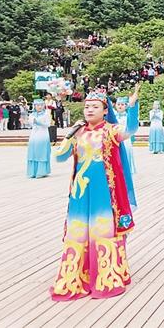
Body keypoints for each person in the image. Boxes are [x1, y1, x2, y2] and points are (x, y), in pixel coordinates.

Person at [50, 91, 137, 301]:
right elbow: (59, 156)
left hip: (104, 190)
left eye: (95, 107)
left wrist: (132, 107)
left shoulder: (111, 130)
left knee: (102, 228)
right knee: (78, 229)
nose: (89, 110)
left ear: (105, 111)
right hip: (80, 190)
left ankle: (106, 276)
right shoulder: (78, 131)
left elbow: (131, 129)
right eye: (87, 106)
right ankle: (76, 276)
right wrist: (69, 135)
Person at [113, 85, 141, 173]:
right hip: (114, 140)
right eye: (118, 104)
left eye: (122, 104)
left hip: (125, 140)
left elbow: (133, 119)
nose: (120, 106)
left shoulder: (128, 116)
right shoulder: (113, 116)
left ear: (126, 106)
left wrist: (132, 103)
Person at [26, 99, 51, 178]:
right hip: (34, 135)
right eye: (37, 105)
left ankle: (41, 172)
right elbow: (30, 124)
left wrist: (38, 122)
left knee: (42, 152)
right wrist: (28, 122)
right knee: (33, 152)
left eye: (41, 105)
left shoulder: (46, 114)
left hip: (43, 135)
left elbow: (48, 124)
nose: (39, 107)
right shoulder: (32, 115)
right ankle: (32, 172)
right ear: (34, 106)